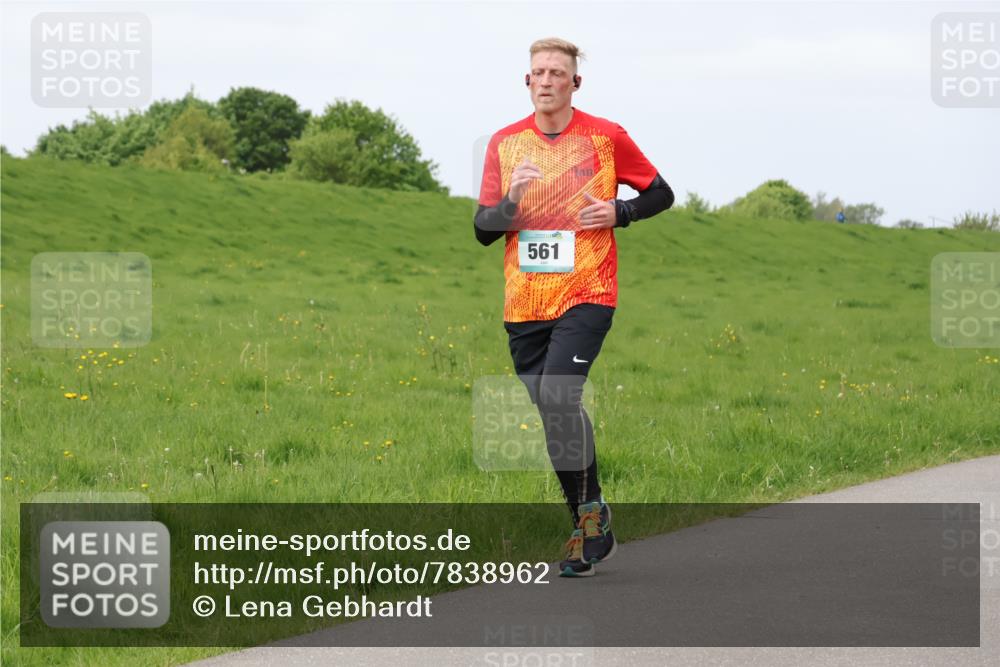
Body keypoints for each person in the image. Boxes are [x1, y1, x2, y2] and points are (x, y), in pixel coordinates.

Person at [474, 38, 674, 577]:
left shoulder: (606, 136)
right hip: (524, 301)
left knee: (560, 393)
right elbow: (483, 231)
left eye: (556, 73)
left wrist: (621, 211)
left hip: (588, 290)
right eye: (537, 72)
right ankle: (589, 519)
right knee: (553, 413)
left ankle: (588, 521)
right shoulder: (504, 144)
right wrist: (511, 200)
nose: (545, 80)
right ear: (527, 81)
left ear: (574, 83)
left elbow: (662, 192)